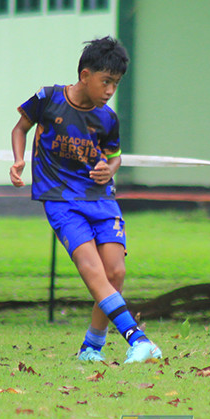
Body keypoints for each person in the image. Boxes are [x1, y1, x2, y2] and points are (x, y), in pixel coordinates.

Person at [10, 36, 161, 364]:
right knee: (92, 270)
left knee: (115, 273)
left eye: (116, 84)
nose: (109, 91)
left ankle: (91, 347)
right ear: (84, 75)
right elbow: (20, 129)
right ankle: (138, 339)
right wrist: (19, 160)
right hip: (62, 201)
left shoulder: (107, 118)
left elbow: (115, 155)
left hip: (102, 201)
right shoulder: (48, 99)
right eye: (105, 82)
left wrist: (110, 168)